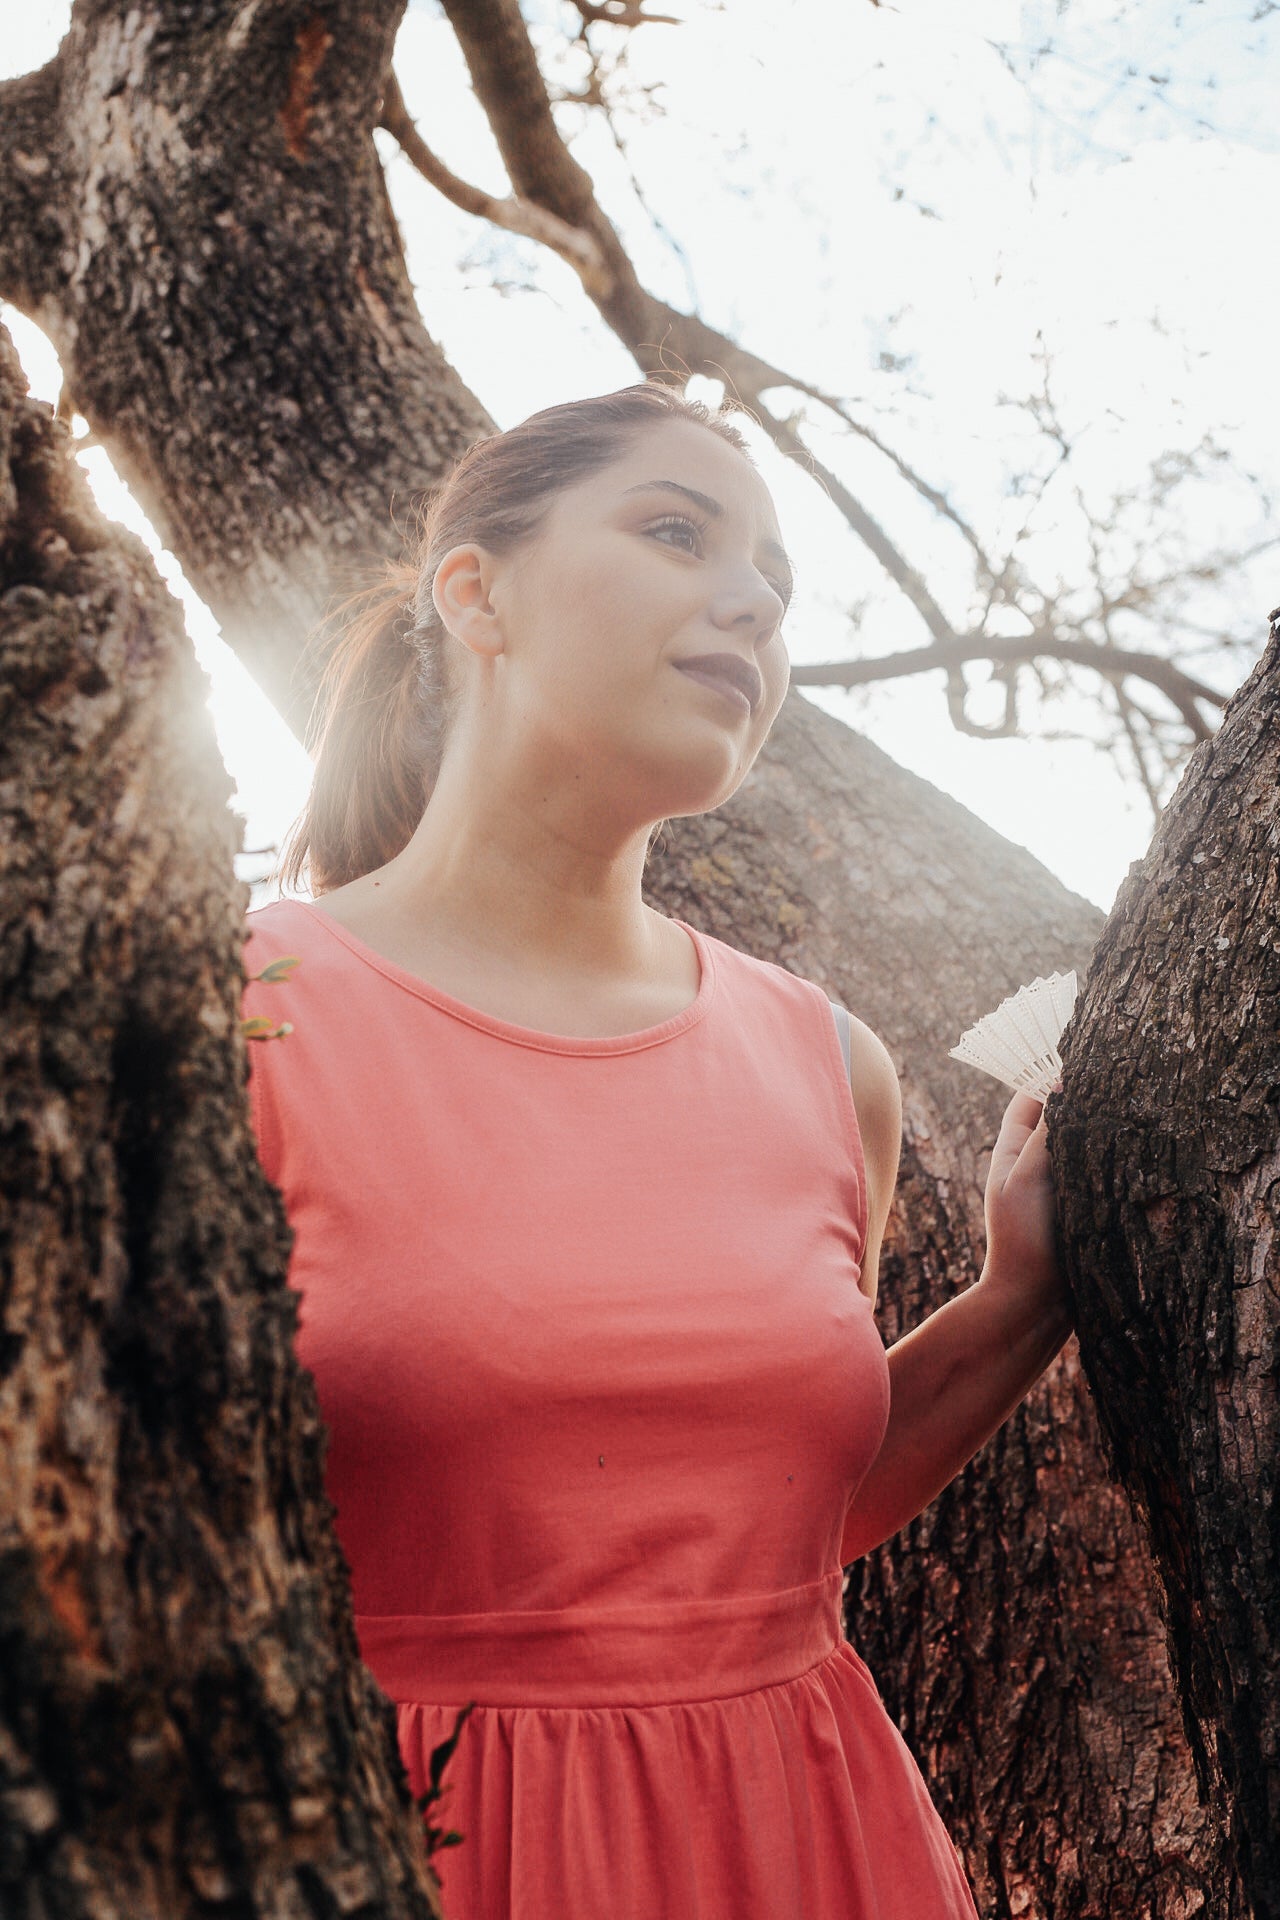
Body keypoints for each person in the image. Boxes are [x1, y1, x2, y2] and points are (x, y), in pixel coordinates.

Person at [241, 381, 1074, 1919]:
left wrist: (1018, 1305)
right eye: (678, 533)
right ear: (474, 595)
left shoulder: (828, 1064)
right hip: (398, 1854)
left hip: (810, 1846)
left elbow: (758, 1522)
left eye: (776, 585)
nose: (751, 601)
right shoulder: (234, 1020)